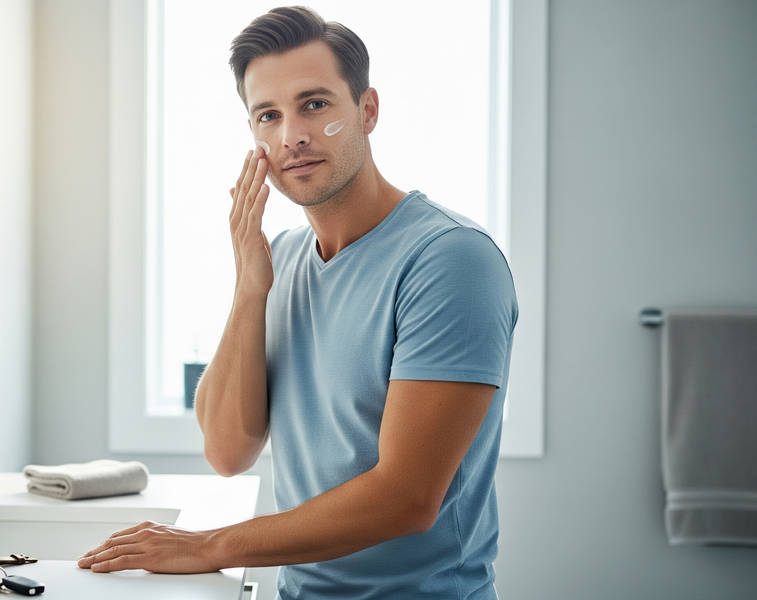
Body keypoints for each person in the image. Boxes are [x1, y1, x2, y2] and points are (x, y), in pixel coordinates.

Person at [78, 6, 517, 599]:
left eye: (314, 104)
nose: (292, 137)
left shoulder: (450, 261)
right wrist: (249, 286)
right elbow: (228, 450)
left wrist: (210, 545)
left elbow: (406, 499)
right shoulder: (280, 258)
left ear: (367, 110)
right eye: (269, 115)